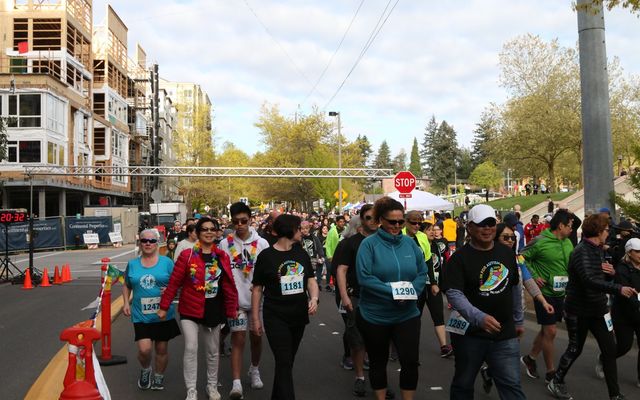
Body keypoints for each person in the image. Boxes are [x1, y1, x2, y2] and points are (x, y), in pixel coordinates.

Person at [547, 214, 637, 400]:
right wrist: (618, 288)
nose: (608, 233)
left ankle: (615, 395)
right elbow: (589, 280)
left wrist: (612, 275)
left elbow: (600, 277)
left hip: (599, 310)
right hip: (578, 311)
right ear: (597, 231)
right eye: (606, 230)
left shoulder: (598, 249)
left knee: (610, 350)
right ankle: (556, 380)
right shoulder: (581, 251)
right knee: (575, 348)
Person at [441, 204, 526, 400]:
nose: (487, 229)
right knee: (464, 384)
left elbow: (514, 286)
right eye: (482, 224)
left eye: (491, 224)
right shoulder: (459, 259)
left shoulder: (506, 253)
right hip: (470, 334)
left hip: (504, 332)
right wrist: (479, 318)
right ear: (469, 227)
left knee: (511, 385)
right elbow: (454, 294)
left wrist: (519, 319)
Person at [158, 217, 239, 400]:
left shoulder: (222, 256)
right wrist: (164, 307)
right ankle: (191, 391)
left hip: (213, 309)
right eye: (204, 229)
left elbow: (228, 285)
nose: (209, 232)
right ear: (198, 232)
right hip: (190, 309)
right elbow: (174, 283)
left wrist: (232, 309)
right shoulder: (187, 255)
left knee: (212, 351)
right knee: (191, 347)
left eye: (212, 229)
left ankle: (212, 386)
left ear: (217, 232)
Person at [356, 197, 428, 400]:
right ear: (380, 220)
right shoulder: (368, 245)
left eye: (400, 221)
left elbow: (422, 272)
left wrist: (412, 290)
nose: (397, 226)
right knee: (378, 361)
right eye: (392, 222)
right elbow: (365, 277)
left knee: (410, 361)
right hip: (375, 315)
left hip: (407, 314)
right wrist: (394, 292)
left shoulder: (410, 243)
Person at [479, 222, 555, 394]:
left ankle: (490, 372)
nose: (510, 241)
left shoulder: (518, 258)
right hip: (492, 316)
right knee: (500, 357)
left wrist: (542, 301)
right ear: (495, 238)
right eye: (505, 237)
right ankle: (494, 374)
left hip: (514, 316)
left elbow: (528, 280)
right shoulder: (489, 260)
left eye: (513, 237)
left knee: (506, 357)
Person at [250, 214, 319, 400]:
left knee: (286, 363)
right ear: (290, 230)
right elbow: (257, 289)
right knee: (283, 360)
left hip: (298, 315)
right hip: (275, 315)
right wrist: (256, 318)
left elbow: (311, 281)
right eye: (298, 228)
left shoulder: (301, 253)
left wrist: (314, 298)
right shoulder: (266, 256)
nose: (302, 231)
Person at [218, 202, 270, 399]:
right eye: (236, 222)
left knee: (256, 338)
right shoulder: (225, 244)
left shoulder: (262, 244)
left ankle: (254, 370)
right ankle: (236, 383)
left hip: (259, 301)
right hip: (236, 301)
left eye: (244, 221)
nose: (240, 225)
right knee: (238, 338)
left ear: (250, 220)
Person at [122, 229, 181, 391]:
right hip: (141, 315)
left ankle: (159, 376)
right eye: (144, 240)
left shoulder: (167, 263)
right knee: (144, 349)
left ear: (157, 243)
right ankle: (146, 369)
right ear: (140, 243)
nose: (148, 243)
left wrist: (170, 290)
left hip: (163, 314)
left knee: (161, 349)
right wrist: (126, 302)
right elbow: (126, 285)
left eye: (152, 241)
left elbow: (178, 284)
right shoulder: (132, 264)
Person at [520, 210, 574, 383]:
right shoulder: (540, 241)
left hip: (561, 293)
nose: (572, 229)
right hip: (544, 294)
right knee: (550, 331)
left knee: (546, 330)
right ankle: (551, 373)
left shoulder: (568, 243)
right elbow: (521, 257)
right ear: (560, 226)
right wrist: (534, 276)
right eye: (570, 226)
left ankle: (530, 358)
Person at [335, 204, 379, 397]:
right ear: (362, 220)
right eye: (368, 218)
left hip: (382, 299)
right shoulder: (349, 243)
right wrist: (344, 296)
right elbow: (340, 270)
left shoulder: (386, 241)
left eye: (376, 218)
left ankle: (380, 381)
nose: (373, 222)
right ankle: (360, 377)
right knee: (358, 340)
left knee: (379, 341)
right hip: (357, 297)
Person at [594, 237, 640, 387]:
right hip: (624, 315)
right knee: (624, 346)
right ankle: (604, 357)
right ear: (629, 252)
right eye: (637, 251)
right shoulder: (621, 268)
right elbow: (628, 293)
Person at [412, 216, 453, 358]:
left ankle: (444, 346)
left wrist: (440, 283)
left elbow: (443, 262)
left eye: (433, 229)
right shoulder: (414, 244)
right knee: (413, 316)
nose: (432, 232)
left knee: (438, 315)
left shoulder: (437, 245)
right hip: (418, 286)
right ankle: (409, 346)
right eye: (428, 230)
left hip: (433, 286)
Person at [299, 220, 326, 290]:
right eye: (302, 228)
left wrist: (322, 256)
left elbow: (319, 248)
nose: (304, 230)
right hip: (303, 261)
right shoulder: (299, 238)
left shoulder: (314, 238)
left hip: (313, 260)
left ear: (309, 228)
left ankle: (315, 290)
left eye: (306, 228)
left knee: (313, 279)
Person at [324, 215, 346, 291]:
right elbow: (328, 244)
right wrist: (329, 256)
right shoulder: (332, 231)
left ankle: (342, 285)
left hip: (343, 254)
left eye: (343, 222)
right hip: (334, 255)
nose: (342, 223)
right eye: (340, 222)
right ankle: (333, 285)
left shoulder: (346, 230)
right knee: (334, 271)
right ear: (336, 222)